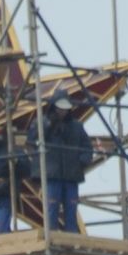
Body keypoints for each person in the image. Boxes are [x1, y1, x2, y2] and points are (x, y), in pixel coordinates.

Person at [26, 88, 94, 232]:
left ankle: (71, 236)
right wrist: (48, 126)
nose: (62, 112)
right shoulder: (42, 122)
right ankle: (52, 235)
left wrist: (81, 162)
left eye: (65, 109)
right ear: (54, 106)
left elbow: (88, 147)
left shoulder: (76, 126)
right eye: (60, 108)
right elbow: (31, 142)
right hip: (52, 174)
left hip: (71, 175)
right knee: (52, 206)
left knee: (71, 207)